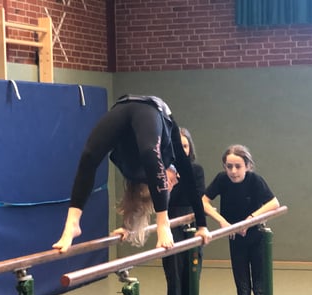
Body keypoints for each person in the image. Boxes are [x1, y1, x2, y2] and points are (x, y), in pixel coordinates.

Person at [53, 95, 211, 253]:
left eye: (168, 186)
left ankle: (72, 222)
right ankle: (163, 222)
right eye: (169, 185)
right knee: (152, 155)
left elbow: (135, 201)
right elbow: (189, 180)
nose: (171, 184)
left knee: (89, 155)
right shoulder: (170, 153)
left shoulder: (133, 173)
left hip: (123, 107)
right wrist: (202, 226)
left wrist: (127, 227)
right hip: (154, 109)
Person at [202, 144, 279, 295]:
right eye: (229, 167)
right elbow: (203, 202)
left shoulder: (255, 180)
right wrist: (222, 222)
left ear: (247, 166)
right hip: (236, 239)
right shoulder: (222, 180)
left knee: (259, 288)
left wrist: (250, 220)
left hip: (257, 237)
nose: (233, 171)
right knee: (242, 288)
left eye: (238, 166)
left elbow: (274, 203)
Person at [161, 127, 205, 295]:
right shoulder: (163, 172)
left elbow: (198, 196)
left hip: (192, 220)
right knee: (175, 274)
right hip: (171, 221)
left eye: (185, 146)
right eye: (178, 146)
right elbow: (165, 200)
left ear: (190, 148)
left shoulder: (196, 170)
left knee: (192, 273)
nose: (182, 150)